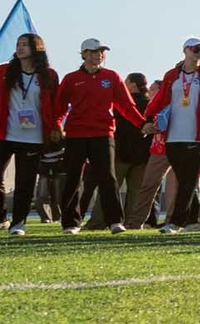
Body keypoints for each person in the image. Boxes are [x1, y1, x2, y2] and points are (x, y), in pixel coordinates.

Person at [50, 39, 148, 233]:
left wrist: (142, 124)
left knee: (108, 178)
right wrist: (55, 125)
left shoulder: (112, 77)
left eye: (102, 52)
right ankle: (70, 222)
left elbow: (126, 106)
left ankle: (114, 221)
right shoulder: (71, 78)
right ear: (84, 54)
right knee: (73, 179)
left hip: (103, 134)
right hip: (76, 134)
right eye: (94, 51)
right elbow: (59, 107)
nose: (99, 55)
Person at [143, 38, 200, 234]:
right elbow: (160, 99)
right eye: (196, 49)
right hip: (172, 135)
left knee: (188, 180)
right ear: (185, 50)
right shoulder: (172, 75)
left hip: (198, 135)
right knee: (185, 179)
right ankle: (196, 221)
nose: (199, 53)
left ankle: (176, 222)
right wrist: (146, 119)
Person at [0, 33, 60, 234]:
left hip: (33, 137)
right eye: (18, 44)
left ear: (37, 49)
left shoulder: (49, 75)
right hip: (4, 133)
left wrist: (56, 126)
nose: (20, 48)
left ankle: (18, 222)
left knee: (24, 182)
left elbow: (55, 105)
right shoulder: (5, 70)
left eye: (25, 45)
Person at [111, 74, 158, 229]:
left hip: (122, 153)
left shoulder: (122, 105)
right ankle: (131, 222)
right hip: (142, 155)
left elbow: (117, 127)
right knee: (136, 192)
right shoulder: (149, 105)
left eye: (126, 83)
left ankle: (103, 220)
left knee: (112, 188)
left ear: (132, 85)